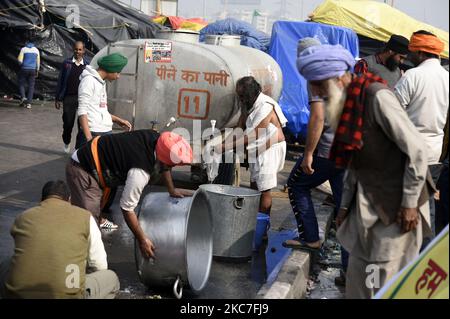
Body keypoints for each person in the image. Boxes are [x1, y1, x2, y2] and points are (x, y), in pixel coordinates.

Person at [296, 43, 434, 298]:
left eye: (319, 84)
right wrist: (345, 207)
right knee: (359, 284)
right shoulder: (347, 106)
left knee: (380, 286)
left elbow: (417, 150)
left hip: (397, 207)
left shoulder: (377, 97)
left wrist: (410, 203)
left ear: (338, 78)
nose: (316, 92)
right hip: (369, 204)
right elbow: (354, 164)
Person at [66, 129, 193, 258]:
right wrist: (142, 240)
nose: (171, 168)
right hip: (83, 168)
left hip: (101, 162)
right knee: (88, 226)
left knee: (92, 208)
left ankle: (78, 203)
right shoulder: (140, 172)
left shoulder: (158, 139)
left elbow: (165, 163)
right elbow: (127, 208)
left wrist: (172, 189)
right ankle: (77, 260)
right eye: (170, 165)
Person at [283, 37, 348, 285]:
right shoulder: (339, 72)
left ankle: (310, 237)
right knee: (345, 209)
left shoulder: (315, 75)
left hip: (328, 151)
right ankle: (348, 271)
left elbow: (318, 118)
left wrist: (308, 153)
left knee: (297, 184)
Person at [1, 181, 119, 299]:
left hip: (19, 294)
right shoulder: (85, 217)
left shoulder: (23, 217)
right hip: (68, 294)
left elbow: (22, 253)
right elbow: (99, 264)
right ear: (69, 199)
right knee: (111, 278)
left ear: (41, 200)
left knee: (7, 263)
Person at [394, 30, 449, 242]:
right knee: (427, 208)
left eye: (412, 52)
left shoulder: (413, 76)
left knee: (403, 207)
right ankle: (423, 262)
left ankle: (402, 260)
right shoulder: (447, 78)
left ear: (420, 52)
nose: (409, 56)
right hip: (435, 154)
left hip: (409, 153)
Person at [222, 76, 287, 225]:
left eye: (242, 96)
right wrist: (223, 143)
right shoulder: (248, 104)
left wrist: (227, 146)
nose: (240, 99)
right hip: (258, 149)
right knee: (254, 187)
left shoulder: (265, 106)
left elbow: (254, 134)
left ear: (251, 94)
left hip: (270, 149)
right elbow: (240, 128)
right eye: (239, 96)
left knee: (264, 189)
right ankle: (253, 221)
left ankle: (262, 227)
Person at [76, 52, 132, 148]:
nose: (118, 76)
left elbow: (99, 110)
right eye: (118, 72)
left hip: (105, 132)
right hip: (93, 133)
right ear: (110, 70)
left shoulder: (101, 82)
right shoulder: (88, 81)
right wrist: (89, 139)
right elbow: (82, 112)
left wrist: (118, 120)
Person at [55, 41, 90, 154]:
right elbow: (60, 80)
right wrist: (58, 98)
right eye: (76, 49)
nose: (78, 52)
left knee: (82, 125)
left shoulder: (87, 65)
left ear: (83, 51)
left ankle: (78, 148)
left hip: (82, 99)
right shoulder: (67, 63)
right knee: (68, 123)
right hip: (69, 97)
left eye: (80, 49)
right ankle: (66, 141)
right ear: (73, 49)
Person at [17, 41, 40, 109]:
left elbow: (19, 60)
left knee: (21, 84)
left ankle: (23, 97)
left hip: (24, 69)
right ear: (33, 44)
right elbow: (38, 62)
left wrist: (22, 65)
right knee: (31, 86)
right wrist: (37, 70)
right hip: (33, 70)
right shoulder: (36, 50)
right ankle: (29, 104)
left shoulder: (23, 49)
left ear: (26, 43)